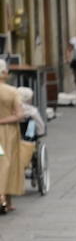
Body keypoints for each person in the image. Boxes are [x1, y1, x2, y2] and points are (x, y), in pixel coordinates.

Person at [0, 61, 26, 214]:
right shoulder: (12, 92)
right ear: (4, 73)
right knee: (7, 162)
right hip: (7, 133)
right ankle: (5, 200)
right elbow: (20, 115)